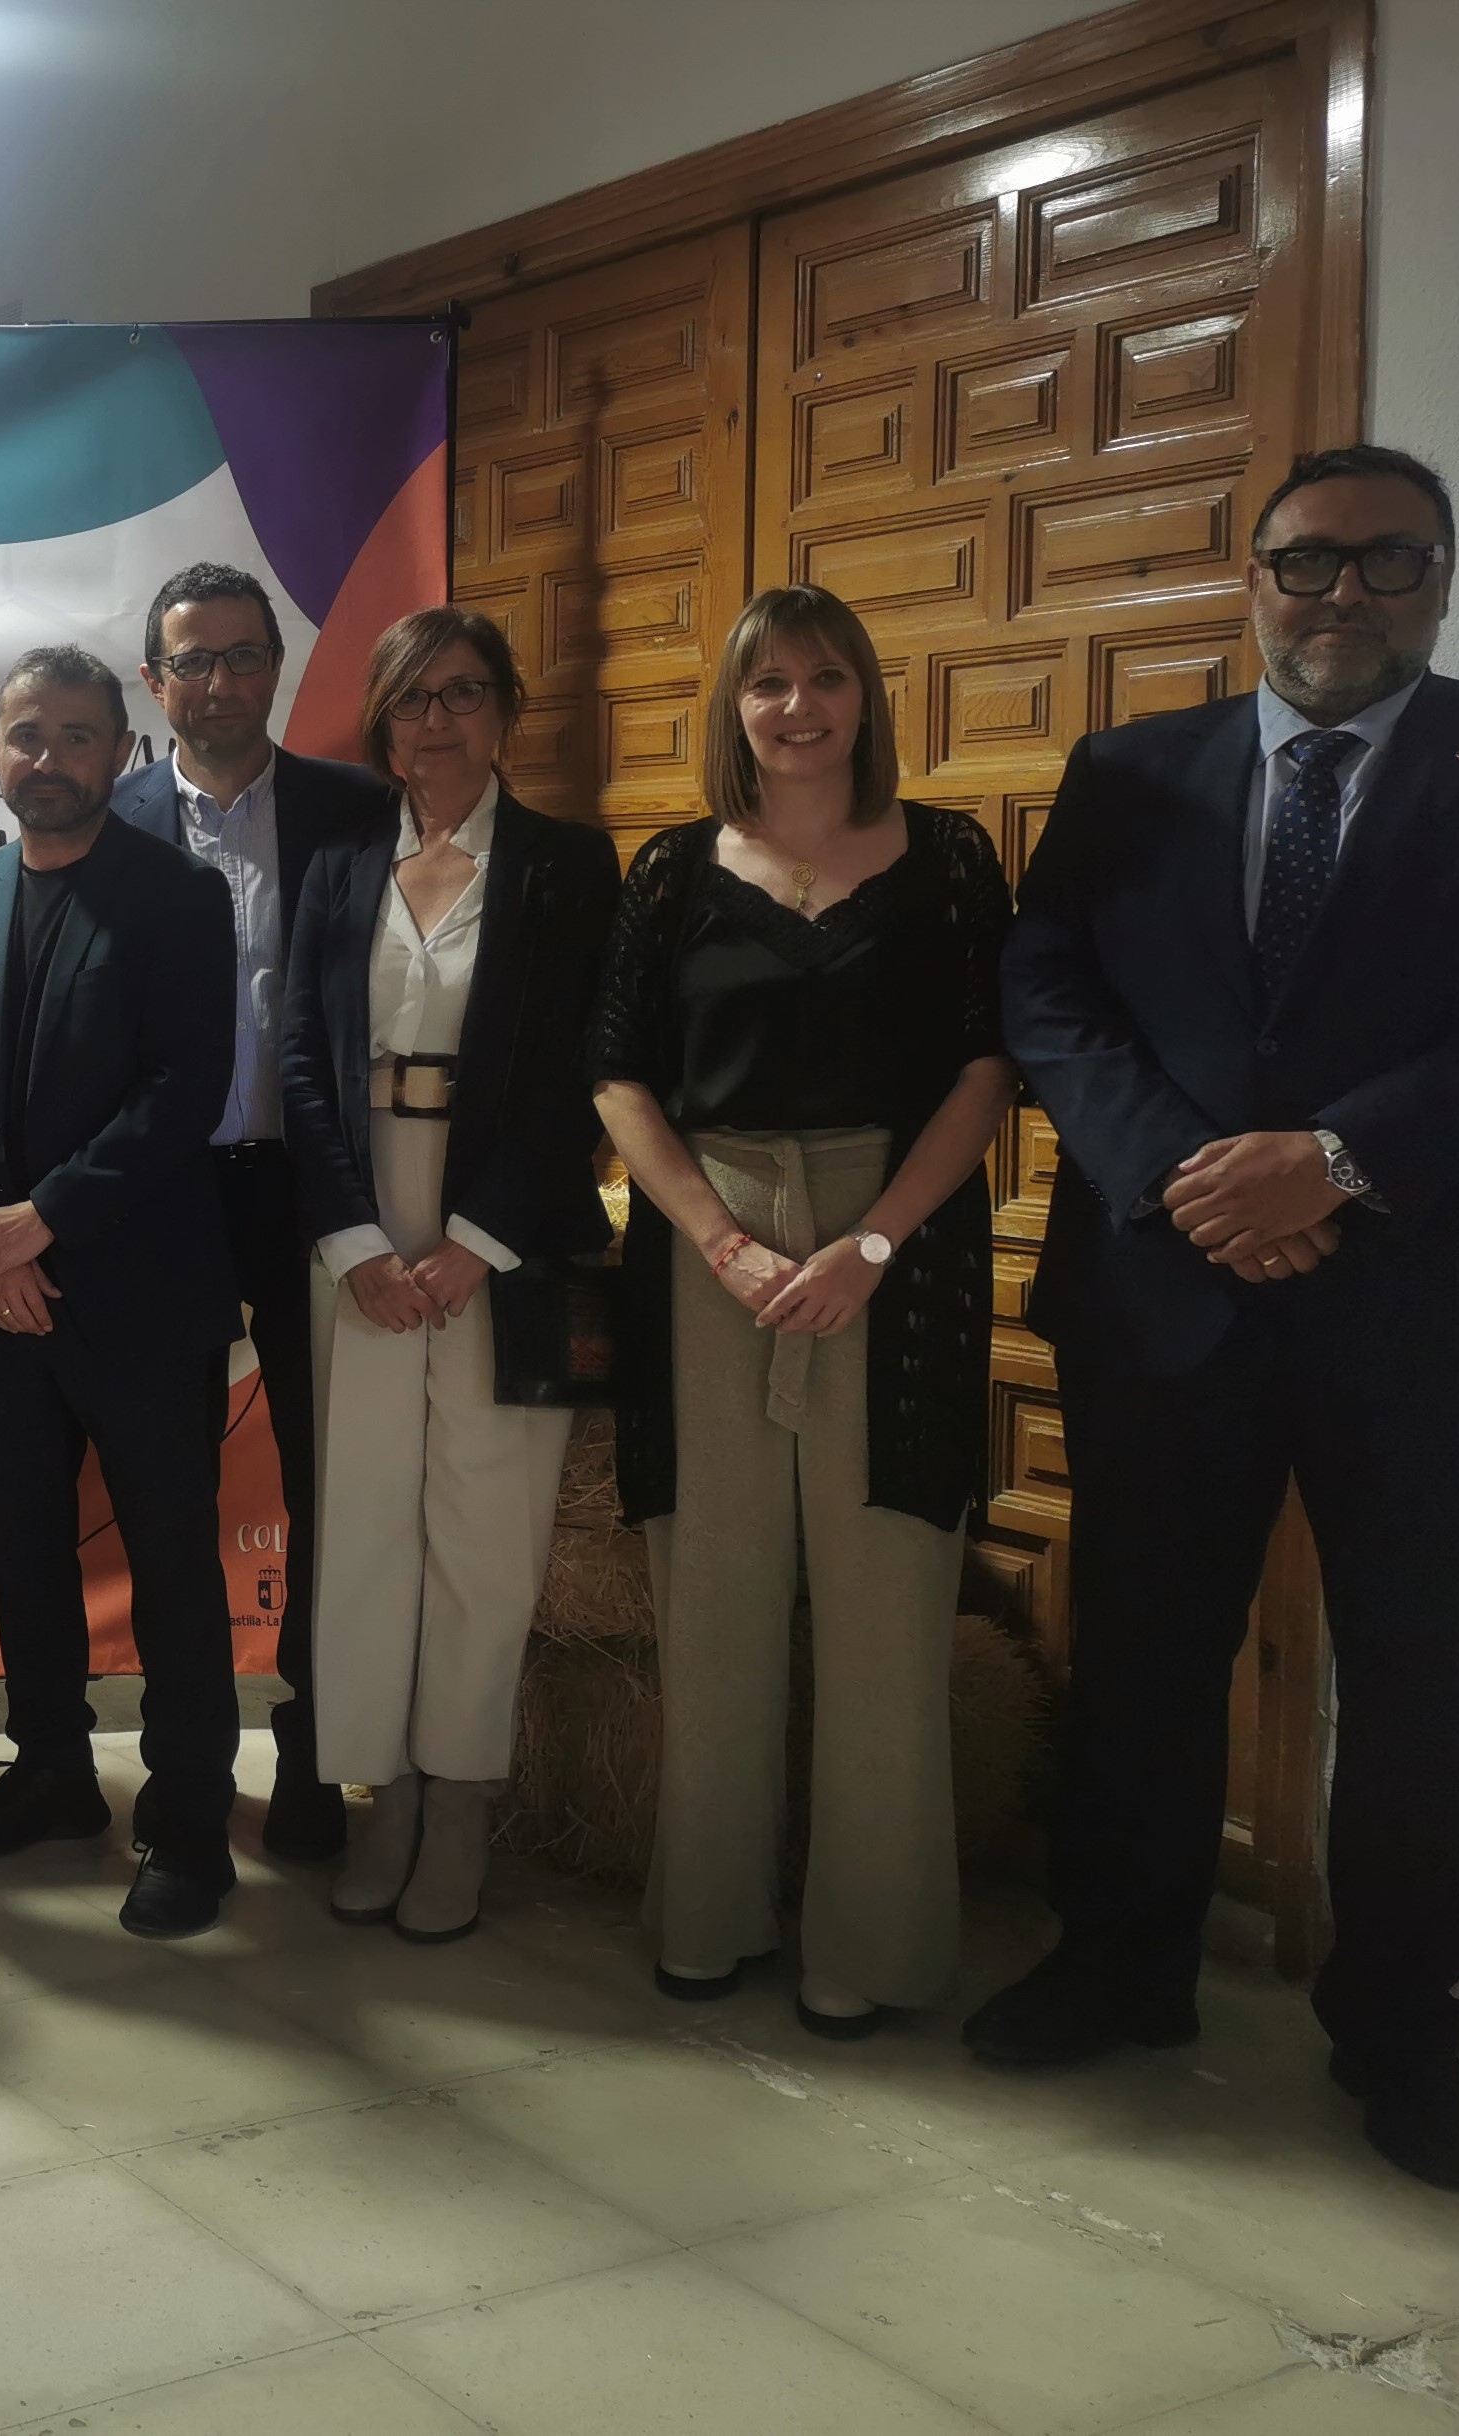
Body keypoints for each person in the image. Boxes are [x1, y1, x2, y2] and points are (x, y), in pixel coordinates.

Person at [971, 444, 1459, 2192]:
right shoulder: (1130, 770)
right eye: (1307, 560)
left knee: (1428, 1685)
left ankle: (1398, 2031)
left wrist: (1338, 1161)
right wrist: (1180, 1172)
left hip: (1428, 1318)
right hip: (1163, 1290)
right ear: (1252, 576)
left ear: (1440, 580)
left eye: (1387, 560)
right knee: (1141, 1651)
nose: (1342, 593)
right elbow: (1046, 984)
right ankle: (1118, 1964)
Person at [590, 584, 1012, 2038]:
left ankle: (871, 1947)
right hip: (708, 1246)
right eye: (769, 682)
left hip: (897, 1245)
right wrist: (718, 1241)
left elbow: (986, 1068)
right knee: (714, 1591)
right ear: (735, 705)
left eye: (827, 678)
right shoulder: (670, 872)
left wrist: (872, 1244)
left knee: (889, 1600)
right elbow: (617, 1076)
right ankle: (707, 1915)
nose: (798, 706)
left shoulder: (949, 862)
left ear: (865, 698)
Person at [281, 609, 616, 1941]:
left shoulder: (566, 866)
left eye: (465, 693)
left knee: (483, 1528)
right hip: (363, 1222)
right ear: (383, 720)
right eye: (414, 699)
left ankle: (463, 1800)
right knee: (364, 1525)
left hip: (499, 1231)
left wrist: (478, 1240)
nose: (438, 721)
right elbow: (300, 1057)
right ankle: (389, 1794)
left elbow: (580, 1070)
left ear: (505, 711)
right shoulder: (339, 860)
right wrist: (355, 1241)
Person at [0, 645, 244, 1937]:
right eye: (27, 735)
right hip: (1, 1301)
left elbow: (184, 1088)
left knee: (171, 1565)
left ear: (121, 751)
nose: (48, 757)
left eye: (77, 735)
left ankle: (188, 1822)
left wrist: (41, 1222)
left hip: (141, 1293)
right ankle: (52, 1772)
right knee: (24, 1554)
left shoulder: (178, 895)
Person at [112, 562, 386, 1864]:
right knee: (169, 1498)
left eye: (242, 656)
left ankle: (319, 1758)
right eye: (192, 661)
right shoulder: (107, 823)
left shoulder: (360, 811)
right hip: (162, 1201)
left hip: (315, 1192)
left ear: (276, 667)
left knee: (331, 1485)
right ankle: (188, 1784)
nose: (219, 683)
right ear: (153, 682)